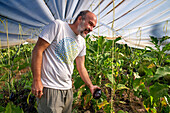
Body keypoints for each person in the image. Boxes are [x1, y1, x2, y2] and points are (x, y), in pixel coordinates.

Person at [31, 10, 100, 113]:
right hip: (50, 88)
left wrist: (90, 86)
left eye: (93, 27)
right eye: (90, 24)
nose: (91, 29)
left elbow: (81, 67)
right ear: (80, 19)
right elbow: (38, 50)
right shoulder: (58, 26)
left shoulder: (81, 42)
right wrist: (37, 80)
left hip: (67, 90)